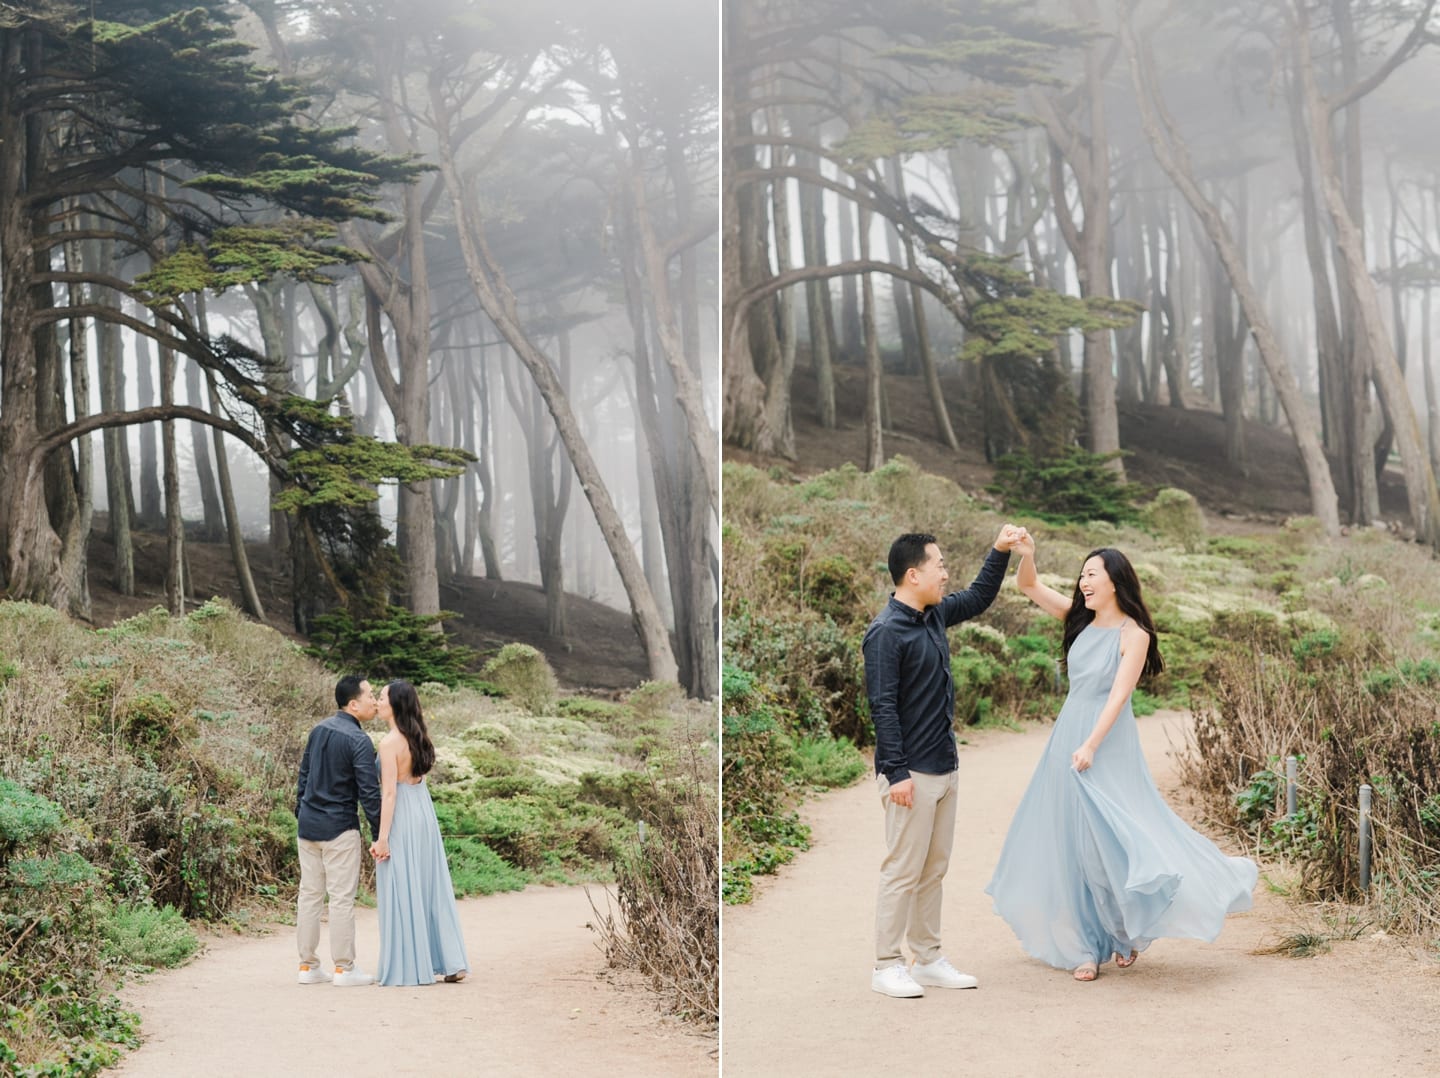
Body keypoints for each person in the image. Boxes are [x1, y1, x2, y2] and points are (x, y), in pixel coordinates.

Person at [987, 539, 1258, 981]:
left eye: (1092, 574)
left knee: (1111, 840)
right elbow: (1029, 584)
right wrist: (1027, 553)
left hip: (1107, 742)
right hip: (1067, 737)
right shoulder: (1078, 619)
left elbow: (1118, 695)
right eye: (1082, 574)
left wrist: (1092, 744)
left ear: (1115, 580)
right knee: (1069, 841)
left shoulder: (1135, 634)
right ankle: (1083, 949)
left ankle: (1124, 929)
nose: (1083, 582)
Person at [864, 525, 1024, 998]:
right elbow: (882, 707)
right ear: (913, 575)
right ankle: (886, 965)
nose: (944, 573)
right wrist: (895, 774)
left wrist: (998, 551)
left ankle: (928, 958)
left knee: (933, 870)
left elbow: (977, 597)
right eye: (938, 565)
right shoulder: (885, 633)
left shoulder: (933, 616)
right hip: (909, 774)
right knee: (902, 871)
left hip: (944, 768)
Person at [370, 679, 469, 986]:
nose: (377, 702)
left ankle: (410, 964)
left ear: (396, 705)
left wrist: (382, 837)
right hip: (423, 813)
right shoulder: (418, 737)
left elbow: (389, 794)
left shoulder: (388, 744)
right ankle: (451, 960)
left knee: (402, 886)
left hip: (401, 818)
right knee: (430, 886)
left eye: (383, 697)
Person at [296, 675, 382, 986]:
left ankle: (307, 966)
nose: (374, 701)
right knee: (342, 898)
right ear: (353, 703)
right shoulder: (359, 740)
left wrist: (300, 812)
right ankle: (344, 968)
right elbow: (369, 792)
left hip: (308, 826)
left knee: (309, 896)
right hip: (340, 828)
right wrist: (379, 833)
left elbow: (303, 775)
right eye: (370, 695)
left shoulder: (318, 731)